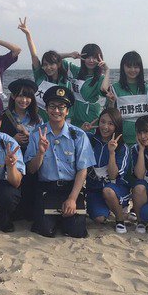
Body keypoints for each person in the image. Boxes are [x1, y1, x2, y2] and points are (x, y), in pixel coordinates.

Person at [25, 86, 96, 238]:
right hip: (47, 189)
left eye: (61, 107)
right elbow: (31, 169)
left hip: (71, 188)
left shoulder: (78, 135)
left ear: (67, 111)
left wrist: (72, 199)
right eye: (52, 106)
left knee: (76, 232)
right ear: (46, 109)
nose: (56, 111)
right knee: (45, 230)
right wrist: (40, 153)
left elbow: (82, 170)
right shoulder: (37, 134)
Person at [0, 78, 42, 221]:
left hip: (30, 160)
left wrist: (29, 136)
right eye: (20, 96)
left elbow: (41, 142)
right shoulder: (3, 116)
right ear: (13, 96)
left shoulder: (37, 119)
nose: (24, 100)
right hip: (11, 161)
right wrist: (13, 140)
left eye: (28, 96)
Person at [85, 108, 131, 233]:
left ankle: (120, 219)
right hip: (94, 189)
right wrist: (82, 131)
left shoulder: (122, 147)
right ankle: (107, 208)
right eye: (103, 122)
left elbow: (113, 176)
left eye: (110, 124)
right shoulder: (90, 139)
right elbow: (70, 142)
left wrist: (111, 153)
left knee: (108, 191)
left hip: (115, 188)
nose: (105, 127)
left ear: (117, 126)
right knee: (99, 218)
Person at [17, 17, 69, 121]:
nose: (48, 67)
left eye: (51, 64)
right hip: (37, 121)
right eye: (45, 64)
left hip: (56, 121)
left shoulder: (65, 83)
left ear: (58, 64)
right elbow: (34, 55)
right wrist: (28, 34)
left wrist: (70, 54)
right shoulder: (40, 76)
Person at [105, 51, 148, 146]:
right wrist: (111, 102)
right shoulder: (114, 88)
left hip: (144, 139)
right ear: (123, 67)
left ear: (140, 68)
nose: (132, 70)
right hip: (122, 139)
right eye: (129, 66)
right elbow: (110, 115)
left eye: (136, 67)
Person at [59, 44, 110, 128]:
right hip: (74, 116)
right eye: (88, 57)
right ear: (83, 58)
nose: (91, 60)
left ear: (100, 59)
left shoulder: (100, 78)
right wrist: (70, 55)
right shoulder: (75, 71)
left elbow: (104, 89)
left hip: (90, 119)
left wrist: (107, 70)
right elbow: (54, 58)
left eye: (94, 58)